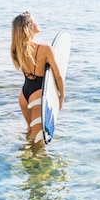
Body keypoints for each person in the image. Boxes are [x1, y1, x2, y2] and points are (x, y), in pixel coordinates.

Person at [11, 11, 64, 145]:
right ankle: (34, 163)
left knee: (30, 131)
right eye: (34, 21)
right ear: (29, 27)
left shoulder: (17, 50)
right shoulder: (45, 49)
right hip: (37, 95)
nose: (37, 23)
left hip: (24, 95)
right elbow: (58, 76)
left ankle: (23, 155)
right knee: (38, 141)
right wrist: (61, 97)